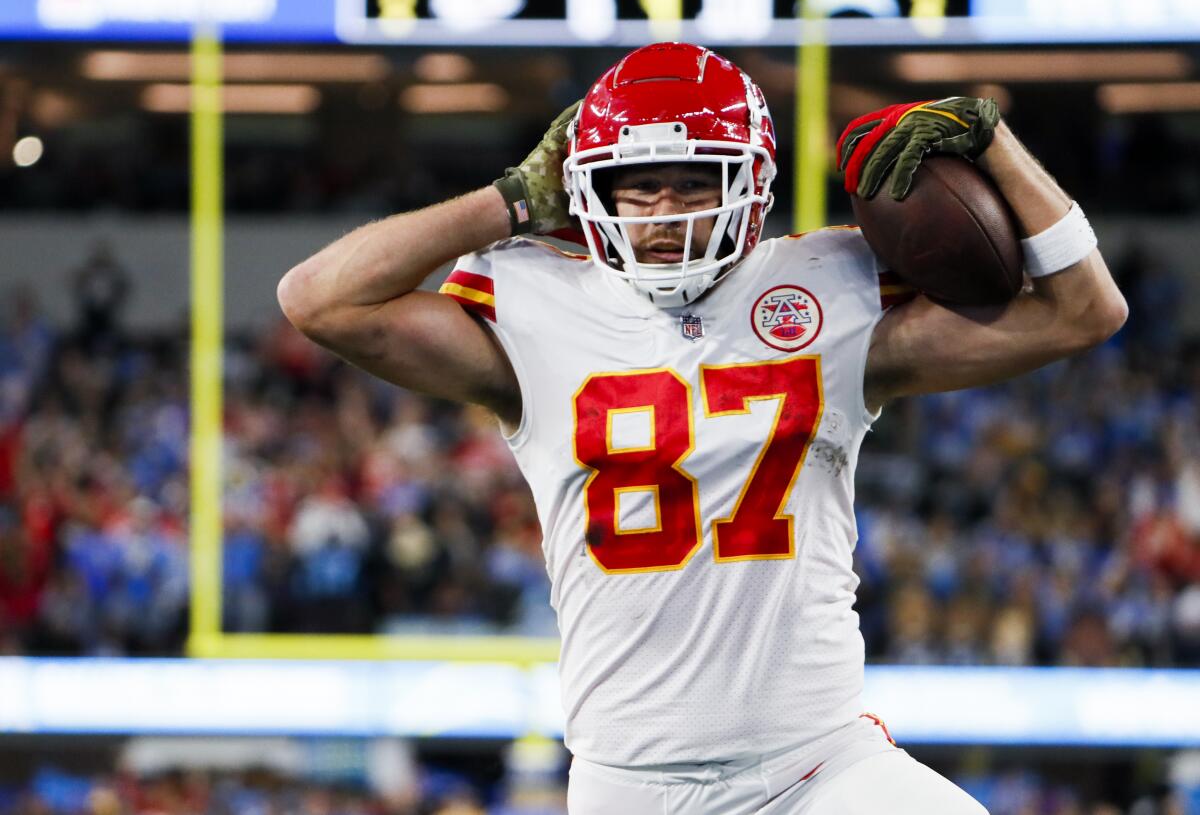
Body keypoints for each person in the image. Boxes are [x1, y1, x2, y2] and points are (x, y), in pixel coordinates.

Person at [278, 43, 1126, 814]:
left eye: (693, 179)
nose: (665, 210)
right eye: (637, 183)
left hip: (821, 765)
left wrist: (994, 144)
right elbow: (316, 299)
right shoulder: (536, 305)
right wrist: (503, 201)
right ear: (584, 188)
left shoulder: (825, 285)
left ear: (748, 182)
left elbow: (1084, 311)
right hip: (631, 785)